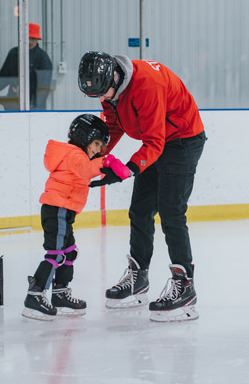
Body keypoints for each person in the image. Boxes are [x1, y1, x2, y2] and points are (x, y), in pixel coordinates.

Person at [78, 51, 206, 322]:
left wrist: (126, 170)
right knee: (140, 209)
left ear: (114, 76)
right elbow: (114, 126)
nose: (103, 100)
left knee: (171, 212)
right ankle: (139, 278)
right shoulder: (111, 88)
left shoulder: (148, 85)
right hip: (158, 140)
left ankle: (185, 287)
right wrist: (93, 156)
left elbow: (155, 143)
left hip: (182, 140)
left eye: (105, 94)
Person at [22, 114, 130, 320]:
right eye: (97, 143)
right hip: (57, 210)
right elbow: (85, 170)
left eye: (101, 147)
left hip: (63, 211)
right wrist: (107, 162)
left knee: (69, 253)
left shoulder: (74, 154)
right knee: (55, 253)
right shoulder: (74, 155)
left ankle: (60, 294)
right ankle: (34, 296)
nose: (98, 149)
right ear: (84, 137)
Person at [0, 22, 53, 110]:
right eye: (28, 38)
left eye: (33, 38)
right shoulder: (13, 54)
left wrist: (35, 107)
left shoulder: (43, 58)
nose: (29, 41)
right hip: (13, 104)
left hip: (33, 107)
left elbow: (43, 88)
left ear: (37, 39)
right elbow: (3, 78)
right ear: (22, 38)